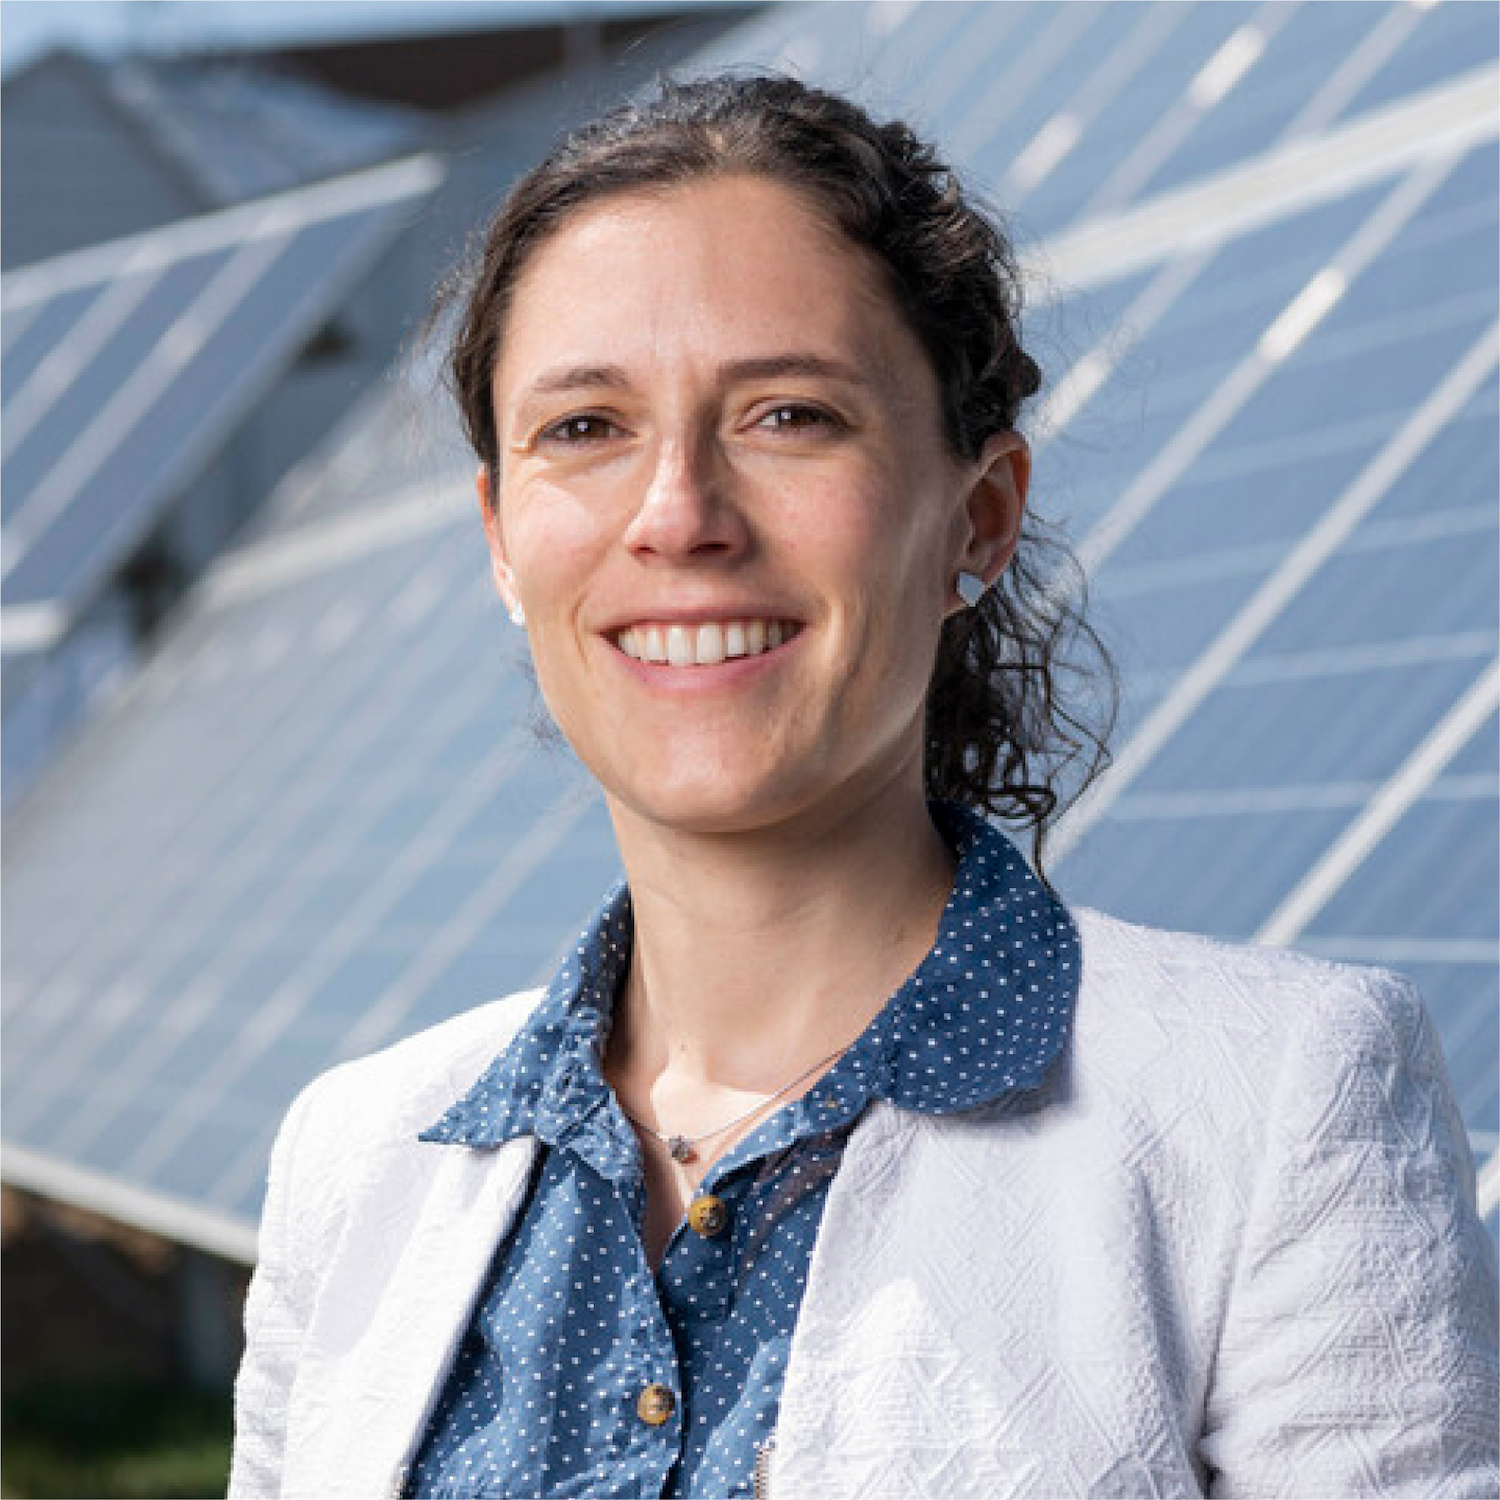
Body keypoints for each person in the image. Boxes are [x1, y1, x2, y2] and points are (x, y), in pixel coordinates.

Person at [228, 74, 1498, 1500]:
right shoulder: (354, 1160)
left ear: (981, 517)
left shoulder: (1278, 1104)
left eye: (789, 415)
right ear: (501, 541)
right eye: (584, 427)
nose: (678, 516)